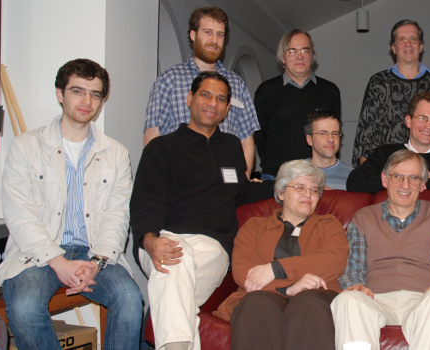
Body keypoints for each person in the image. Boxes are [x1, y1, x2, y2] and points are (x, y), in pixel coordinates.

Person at [0, 59, 142, 350]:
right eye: (78, 91)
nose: (87, 100)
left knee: (129, 300)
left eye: (95, 93)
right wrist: (57, 261)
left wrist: (98, 264)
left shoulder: (116, 153)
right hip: (37, 253)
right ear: (59, 93)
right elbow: (19, 214)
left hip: (95, 253)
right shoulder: (26, 146)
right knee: (24, 308)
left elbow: (118, 216)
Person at [131, 72, 274, 350]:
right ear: (189, 99)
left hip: (212, 247)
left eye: (221, 99)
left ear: (227, 109)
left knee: (173, 287)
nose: (213, 103)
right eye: (205, 95)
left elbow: (242, 190)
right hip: (163, 236)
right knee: (175, 262)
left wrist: (288, 186)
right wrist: (150, 240)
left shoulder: (231, 146)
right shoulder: (161, 148)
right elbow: (145, 201)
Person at [332, 150, 430, 350]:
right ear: (385, 179)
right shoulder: (363, 218)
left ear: (423, 184)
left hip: (424, 300)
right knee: (348, 299)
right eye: (398, 176)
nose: (405, 185)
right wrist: (356, 284)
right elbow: (354, 265)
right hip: (375, 299)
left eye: (413, 178)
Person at [213, 160, 348, 350]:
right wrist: (288, 288)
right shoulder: (254, 226)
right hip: (262, 297)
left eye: (314, 190)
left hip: (317, 297)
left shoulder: (329, 224)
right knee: (256, 303)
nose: (308, 195)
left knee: (309, 301)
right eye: (300, 187)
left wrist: (276, 269)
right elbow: (244, 273)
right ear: (281, 192)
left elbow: (333, 261)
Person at [144, 7, 259, 177]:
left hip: (225, 186)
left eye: (220, 35)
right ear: (193, 35)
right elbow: (152, 136)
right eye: (208, 32)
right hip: (180, 181)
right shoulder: (170, 79)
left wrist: (242, 183)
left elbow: (246, 141)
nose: (214, 40)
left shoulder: (237, 84)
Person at [351, 19, 430, 167]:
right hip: (387, 169)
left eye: (413, 39)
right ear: (393, 47)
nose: (408, 44)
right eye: (402, 39)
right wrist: (369, 174)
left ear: (421, 46)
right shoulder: (379, 82)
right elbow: (365, 134)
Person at [346, 91, 430, 193]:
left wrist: (428, 181)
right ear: (408, 121)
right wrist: (406, 177)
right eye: (422, 118)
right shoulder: (386, 154)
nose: (428, 126)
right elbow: (355, 181)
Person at [255, 29, 341, 179]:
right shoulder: (266, 91)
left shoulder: (330, 91)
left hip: (319, 176)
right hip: (276, 176)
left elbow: (333, 134)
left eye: (305, 51)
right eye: (292, 51)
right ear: (283, 58)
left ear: (312, 56)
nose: (299, 56)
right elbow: (259, 135)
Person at [304, 109, 353, 190]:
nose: (331, 139)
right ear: (309, 139)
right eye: (323, 133)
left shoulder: (352, 177)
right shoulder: (293, 174)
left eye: (335, 133)